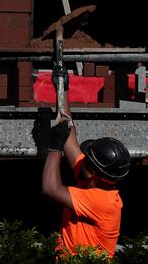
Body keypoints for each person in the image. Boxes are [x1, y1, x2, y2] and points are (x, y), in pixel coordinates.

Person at [41, 97, 131, 258]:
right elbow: (70, 139)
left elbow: (50, 189)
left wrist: (55, 147)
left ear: (92, 172)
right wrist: (63, 88)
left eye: (87, 160)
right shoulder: (92, 181)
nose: (83, 158)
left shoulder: (102, 201)